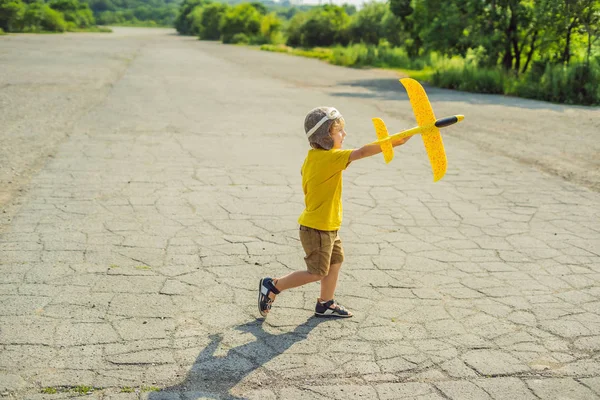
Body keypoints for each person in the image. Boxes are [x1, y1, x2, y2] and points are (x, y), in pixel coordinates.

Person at [258, 107, 411, 318]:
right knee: (317, 272)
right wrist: (393, 141)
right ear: (325, 137)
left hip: (327, 225)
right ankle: (273, 286)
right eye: (339, 131)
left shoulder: (315, 157)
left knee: (335, 261)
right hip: (317, 228)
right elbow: (363, 152)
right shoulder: (330, 159)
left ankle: (325, 303)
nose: (344, 134)